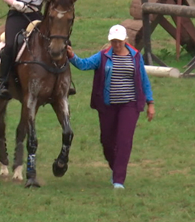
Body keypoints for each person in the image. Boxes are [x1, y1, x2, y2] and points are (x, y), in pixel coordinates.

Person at [66, 25, 155, 189]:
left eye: (119, 41)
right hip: (108, 105)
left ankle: (119, 180)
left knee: (124, 140)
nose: (117, 44)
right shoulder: (103, 57)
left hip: (130, 104)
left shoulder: (135, 56)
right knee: (107, 141)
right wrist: (72, 56)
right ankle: (116, 169)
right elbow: (84, 64)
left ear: (125, 40)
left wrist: (150, 103)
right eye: (114, 41)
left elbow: (143, 79)